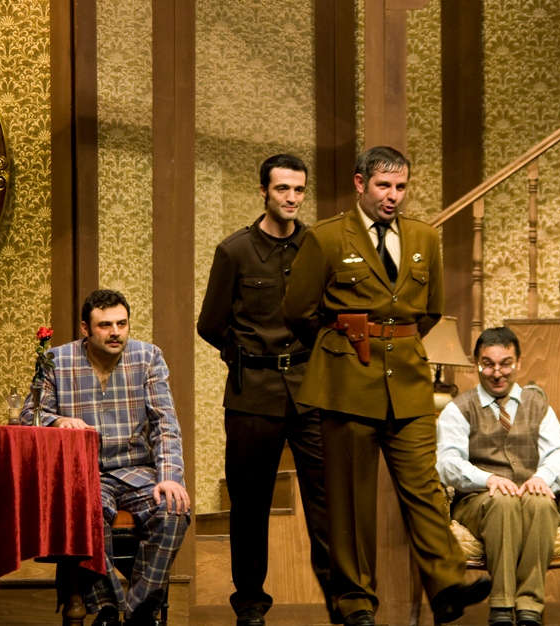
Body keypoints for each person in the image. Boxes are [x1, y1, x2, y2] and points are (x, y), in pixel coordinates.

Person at [282, 146, 490, 626]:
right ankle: (356, 601)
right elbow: (297, 310)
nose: (393, 196)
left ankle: (447, 587)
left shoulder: (424, 236)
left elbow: (430, 310)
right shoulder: (327, 237)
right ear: (360, 184)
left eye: (400, 187)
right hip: (346, 381)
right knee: (350, 501)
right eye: (383, 186)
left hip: (409, 383)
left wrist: (391, 340)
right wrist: (340, 344)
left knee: (424, 487)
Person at [197, 154, 334, 626]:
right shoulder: (234, 251)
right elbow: (210, 323)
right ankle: (251, 604)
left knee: (327, 500)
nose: (292, 198)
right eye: (282, 189)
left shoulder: (317, 246)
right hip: (253, 391)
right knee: (250, 504)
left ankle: (343, 600)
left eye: (299, 190)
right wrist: (243, 353)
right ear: (263, 192)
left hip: (309, 389)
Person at [22, 289, 190, 626]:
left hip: (136, 470)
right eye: (105, 325)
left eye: (121, 324)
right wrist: (57, 421)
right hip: (85, 474)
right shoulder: (57, 360)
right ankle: (107, 609)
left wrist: (169, 477)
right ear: (86, 328)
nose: (115, 332)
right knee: (84, 512)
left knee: (174, 509)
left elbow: (165, 424)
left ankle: (139, 612)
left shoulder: (148, 357)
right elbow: (30, 416)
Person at [435, 327, 560, 626]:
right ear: (477, 364)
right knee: (502, 502)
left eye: (505, 364)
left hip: (531, 494)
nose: (497, 373)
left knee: (540, 503)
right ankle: (501, 608)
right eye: (488, 364)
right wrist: (487, 479)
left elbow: (559, 452)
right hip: (478, 501)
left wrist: (543, 477)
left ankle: (529, 608)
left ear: (518, 362)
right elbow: (447, 462)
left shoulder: (538, 406)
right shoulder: (458, 409)